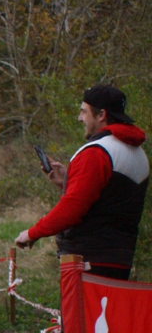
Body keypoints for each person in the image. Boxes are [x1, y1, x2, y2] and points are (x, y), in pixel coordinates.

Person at [15, 84, 148, 280]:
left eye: (84, 111)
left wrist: (32, 233)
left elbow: (73, 208)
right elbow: (111, 201)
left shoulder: (96, 152)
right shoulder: (138, 154)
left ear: (101, 114)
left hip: (87, 260)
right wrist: (68, 182)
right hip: (120, 260)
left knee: (79, 303)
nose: (80, 118)